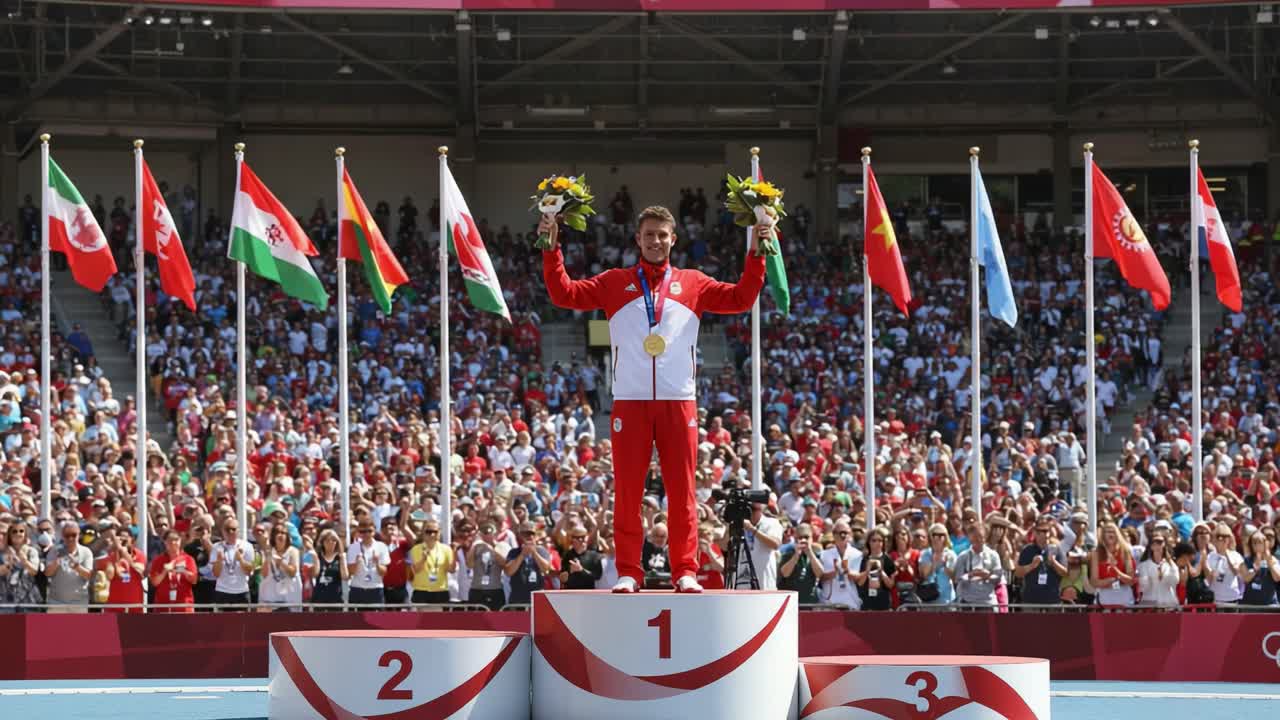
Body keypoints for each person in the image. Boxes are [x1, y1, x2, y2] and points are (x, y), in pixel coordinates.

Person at [540, 205, 768, 593]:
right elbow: (563, 294)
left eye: (663, 235)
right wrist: (550, 247)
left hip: (680, 398)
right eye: (649, 234)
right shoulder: (615, 282)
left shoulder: (693, 283)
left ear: (673, 240)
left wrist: (758, 253)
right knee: (628, 491)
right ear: (638, 239)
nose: (656, 241)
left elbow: (742, 298)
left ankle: (685, 571)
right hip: (630, 399)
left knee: (682, 492)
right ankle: (629, 570)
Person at [1015, 517, 1068, 605]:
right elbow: (1018, 573)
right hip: (1031, 601)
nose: (1045, 534)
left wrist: (1054, 563)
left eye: (1047, 531)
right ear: (1035, 533)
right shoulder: (1027, 550)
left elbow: (1065, 573)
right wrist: (1031, 566)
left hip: (1052, 601)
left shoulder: (1057, 549)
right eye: (1042, 531)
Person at [44, 521, 94, 612]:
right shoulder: (54, 551)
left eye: (74, 535)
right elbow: (47, 573)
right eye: (67, 535)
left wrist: (77, 567)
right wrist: (57, 561)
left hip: (79, 603)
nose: (70, 538)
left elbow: (89, 575)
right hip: (57, 602)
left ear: (79, 535)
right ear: (63, 536)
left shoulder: (86, 552)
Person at [97, 527, 146, 613]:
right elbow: (109, 575)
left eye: (126, 538)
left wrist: (123, 551)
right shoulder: (109, 555)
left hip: (134, 606)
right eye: (120, 538)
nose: (123, 540)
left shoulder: (139, 555)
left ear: (132, 539)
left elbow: (140, 569)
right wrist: (115, 552)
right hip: (114, 607)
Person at [148, 529, 197, 613]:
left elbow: (194, 580)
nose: (173, 542)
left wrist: (183, 571)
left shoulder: (188, 559)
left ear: (180, 540)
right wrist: (164, 571)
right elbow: (154, 582)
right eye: (170, 540)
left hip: (184, 606)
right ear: (165, 542)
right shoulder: (158, 560)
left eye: (176, 539)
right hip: (162, 606)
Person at [1090, 521, 1137, 607]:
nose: (1110, 534)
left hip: (1124, 596)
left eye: (1113, 532)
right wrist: (1110, 580)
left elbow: (1131, 580)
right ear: (1103, 535)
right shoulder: (1096, 554)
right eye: (1107, 532)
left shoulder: (1125, 551)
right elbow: (1094, 582)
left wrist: (1115, 570)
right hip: (1104, 597)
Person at [954, 523, 1001, 606]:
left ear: (985, 537)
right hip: (967, 603)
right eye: (974, 537)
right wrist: (971, 574)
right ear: (969, 537)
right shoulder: (963, 556)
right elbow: (958, 579)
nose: (978, 539)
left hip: (987, 603)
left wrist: (987, 575)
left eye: (980, 536)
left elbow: (998, 578)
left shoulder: (993, 555)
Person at [504, 522, 552, 604]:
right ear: (520, 536)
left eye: (531, 534)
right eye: (525, 534)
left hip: (537, 597)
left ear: (536, 536)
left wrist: (534, 553)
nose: (529, 537)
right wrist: (522, 555)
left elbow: (546, 570)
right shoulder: (514, 552)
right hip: (518, 597)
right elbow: (508, 571)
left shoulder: (541, 551)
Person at [819, 520, 863, 609]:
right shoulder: (824, 555)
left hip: (851, 601)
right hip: (829, 602)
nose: (843, 536)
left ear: (850, 534)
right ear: (834, 534)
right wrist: (834, 573)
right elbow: (820, 577)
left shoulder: (858, 554)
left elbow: (860, 579)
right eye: (839, 533)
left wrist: (847, 572)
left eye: (845, 533)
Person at [739, 501, 782, 590]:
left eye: (753, 509)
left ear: (760, 510)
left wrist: (752, 530)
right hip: (743, 581)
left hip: (764, 581)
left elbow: (775, 544)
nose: (750, 513)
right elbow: (723, 545)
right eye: (747, 509)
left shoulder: (771, 523)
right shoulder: (739, 525)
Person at [258, 524, 302, 611]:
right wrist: (268, 557)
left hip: (289, 600)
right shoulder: (269, 550)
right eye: (277, 532)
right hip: (270, 600)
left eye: (283, 533)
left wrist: (281, 563)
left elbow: (293, 573)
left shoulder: (293, 551)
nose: (280, 535)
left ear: (287, 537)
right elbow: (263, 574)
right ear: (273, 536)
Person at [347, 520, 391, 607]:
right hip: (357, 589)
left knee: (377, 619)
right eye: (363, 532)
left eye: (369, 531)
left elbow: (384, 572)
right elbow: (351, 572)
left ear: (374, 531)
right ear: (359, 532)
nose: (366, 534)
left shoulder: (381, 546)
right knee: (355, 619)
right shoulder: (353, 547)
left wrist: (377, 563)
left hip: (375, 588)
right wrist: (356, 562)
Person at [212, 519, 255, 607]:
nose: (230, 532)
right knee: (222, 620)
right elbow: (216, 574)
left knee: (243, 620)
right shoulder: (216, 547)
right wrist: (219, 561)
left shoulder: (247, 546)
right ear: (223, 531)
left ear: (238, 530)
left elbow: (249, 572)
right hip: (222, 591)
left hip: (241, 591)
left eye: (233, 529)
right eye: (227, 529)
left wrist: (241, 560)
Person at [408, 519, 451, 605]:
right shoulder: (415, 549)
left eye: (435, 531)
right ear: (423, 533)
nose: (432, 534)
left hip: (440, 591)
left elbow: (450, 569)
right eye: (428, 531)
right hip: (421, 591)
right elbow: (414, 571)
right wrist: (423, 559)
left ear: (439, 532)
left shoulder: (446, 549)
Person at [1, 523, 42, 611]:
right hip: (7, 600)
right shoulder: (3, 552)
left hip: (28, 599)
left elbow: (34, 571)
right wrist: (9, 563)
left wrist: (24, 561)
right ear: (9, 535)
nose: (18, 533)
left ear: (25, 534)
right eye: (14, 531)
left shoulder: (32, 551)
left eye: (21, 531)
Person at [467, 522, 508, 609]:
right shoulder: (477, 547)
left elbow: (504, 563)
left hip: (495, 588)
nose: (487, 536)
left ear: (495, 534)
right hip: (477, 588)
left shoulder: (501, 546)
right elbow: (469, 564)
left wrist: (491, 549)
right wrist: (474, 545)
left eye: (490, 534)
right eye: (484, 534)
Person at [778, 523, 822, 604]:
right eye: (800, 537)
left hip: (810, 602)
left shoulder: (816, 554)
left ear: (812, 538)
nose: (803, 540)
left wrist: (810, 553)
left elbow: (820, 573)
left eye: (806, 537)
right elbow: (785, 573)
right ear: (795, 539)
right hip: (791, 602)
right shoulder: (788, 553)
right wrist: (796, 555)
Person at [1136, 534, 1181, 607]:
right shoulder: (1143, 565)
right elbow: (1143, 587)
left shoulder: (1171, 564)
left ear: (1164, 545)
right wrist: (1149, 578)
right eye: (1154, 543)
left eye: (1160, 542)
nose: (1157, 545)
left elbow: (1175, 581)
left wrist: (1168, 564)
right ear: (1150, 546)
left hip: (1168, 603)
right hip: (1150, 603)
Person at [917, 522, 957, 606]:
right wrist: (934, 563)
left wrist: (946, 565)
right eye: (935, 534)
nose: (938, 538)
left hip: (947, 600)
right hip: (929, 599)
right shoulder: (925, 554)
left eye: (941, 535)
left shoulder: (951, 554)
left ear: (945, 537)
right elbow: (924, 575)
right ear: (930, 536)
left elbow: (955, 578)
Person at [857, 528, 896, 611]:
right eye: (874, 540)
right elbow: (860, 583)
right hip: (867, 603)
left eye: (880, 540)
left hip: (883, 603)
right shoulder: (863, 559)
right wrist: (867, 570)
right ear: (869, 542)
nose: (877, 543)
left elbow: (890, 585)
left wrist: (881, 570)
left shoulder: (888, 560)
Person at [1206, 522, 1244, 606]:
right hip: (1215, 598)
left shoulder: (1235, 555)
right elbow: (1208, 578)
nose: (1222, 539)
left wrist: (1226, 554)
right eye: (1219, 536)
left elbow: (1236, 572)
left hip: (1232, 597)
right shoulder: (1210, 556)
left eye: (1225, 536)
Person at [1239, 529, 1280, 607]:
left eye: (1260, 542)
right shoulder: (1246, 561)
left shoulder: (1273, 560)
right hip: (1249, 605)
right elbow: (1245, 578)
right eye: (1254, 542)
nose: (1257, 545)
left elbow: (1277, 578)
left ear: (1265, 544)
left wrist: (1269, 562)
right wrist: (1255, 569)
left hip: (1269, 605)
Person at [310, 530, 347, 608]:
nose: (330, 542)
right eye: (327, 540)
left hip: (335, 600)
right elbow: (315, 574)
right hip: (319, 599)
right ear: (322, 542)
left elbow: (345, 576)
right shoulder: (318, 556)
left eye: (333, 540)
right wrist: (315, 559)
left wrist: (342, 559)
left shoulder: (340, 557)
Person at [558, 526, 604, 590]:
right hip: (570, 594)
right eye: (576, 537)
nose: (580, 540)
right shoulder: (567, 555)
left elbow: (597, 576)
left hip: (588, 594)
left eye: (583, 536)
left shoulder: (594, 555)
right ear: (571, 539)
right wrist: (569, 571)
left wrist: (581, 570)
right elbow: (562, 579)